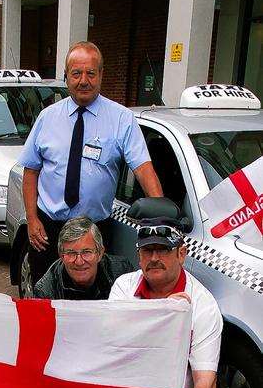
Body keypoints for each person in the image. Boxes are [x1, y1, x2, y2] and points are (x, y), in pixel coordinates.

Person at [18, 41, 163, 286]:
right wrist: (32, 219)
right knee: (45, 298)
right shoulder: (47, 117)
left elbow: (143, 169)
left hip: (95, 232)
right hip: (49, 230)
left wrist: (162, 219)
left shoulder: (122, 119)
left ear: (101, 75)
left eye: (90, 73)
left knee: (92, 303)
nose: (83, 80)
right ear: (66, 77)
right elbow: (31, 170)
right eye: (76, 73)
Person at [109, 217, 223, 388]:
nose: (155, 258)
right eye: (148, 251)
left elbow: (205, 382)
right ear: (138, 256)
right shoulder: (124, 287)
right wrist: (163, 315)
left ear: (181, 254)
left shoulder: (204, 306)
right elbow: (114, 346)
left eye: (163, 250)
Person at [34, 216, 133, 300]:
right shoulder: (46, 291)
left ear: (100, 253)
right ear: (61, 256)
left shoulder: (122, 271)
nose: (79, 262)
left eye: (86, 252)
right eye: (71, 253)